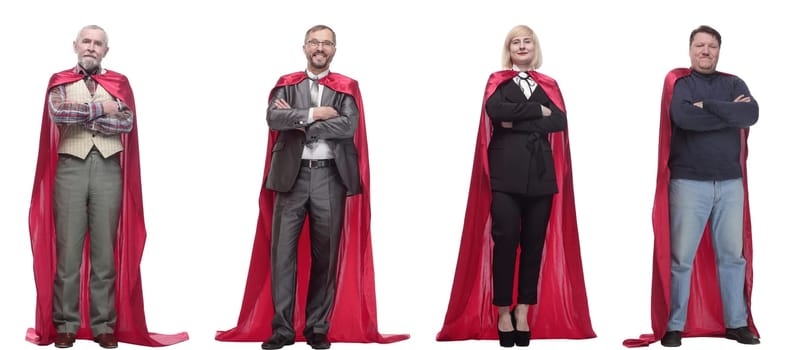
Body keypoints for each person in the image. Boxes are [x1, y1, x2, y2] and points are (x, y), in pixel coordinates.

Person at [214, 24, 408, 350]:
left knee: (326, 256)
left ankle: (318, 327)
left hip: (330, 178)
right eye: (314, 42)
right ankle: (283, 330)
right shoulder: (286, 84)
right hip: (291, 177)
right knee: (282, 256)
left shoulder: (347, 86)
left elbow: (348, 126)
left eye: (327, 43)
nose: (320, 48)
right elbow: (273, 119)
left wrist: (298, 119)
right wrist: (316, 113)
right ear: (304, 47)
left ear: (334, 49)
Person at [27, 25, 188, 349]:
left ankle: (104, 325)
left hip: (108, 169)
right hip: (70, 169)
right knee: (68, 252)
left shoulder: (119, 83)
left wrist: (86, 115)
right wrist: (102, 109)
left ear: (106, 51)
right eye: (86, 41)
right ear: (75, 45)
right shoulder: (60, 82)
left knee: (104, 254)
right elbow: (59, 113)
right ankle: (66, 325)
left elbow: (126, 122)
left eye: (98, 43)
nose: (91, 47)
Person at [436, 25, 595, 347]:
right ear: (508, 50)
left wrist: (517, 119)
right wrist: (538, 110)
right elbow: (495, 112)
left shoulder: (548, 84)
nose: (522, 46)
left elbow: (559, 121)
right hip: (504, 174)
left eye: (527, 41)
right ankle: (502, 310)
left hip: (540, 175)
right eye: (515, 42)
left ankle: (523, 308)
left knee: (534, 243)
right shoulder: (498, 81)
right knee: (505, 240)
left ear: (535, 47)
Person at [623, 25, 760, 348]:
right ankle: (674, 326)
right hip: (688, 183)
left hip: (730, 183)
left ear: (719, 51)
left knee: (732, 257)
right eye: (700, 45)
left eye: (712, 46)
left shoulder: (734, 82)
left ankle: (736, 324)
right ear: (690, 49)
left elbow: (751, 113)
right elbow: (683, 118)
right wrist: (728, 112)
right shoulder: (681, 83)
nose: (705, 51)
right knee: (681, 257)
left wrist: (707, 107)